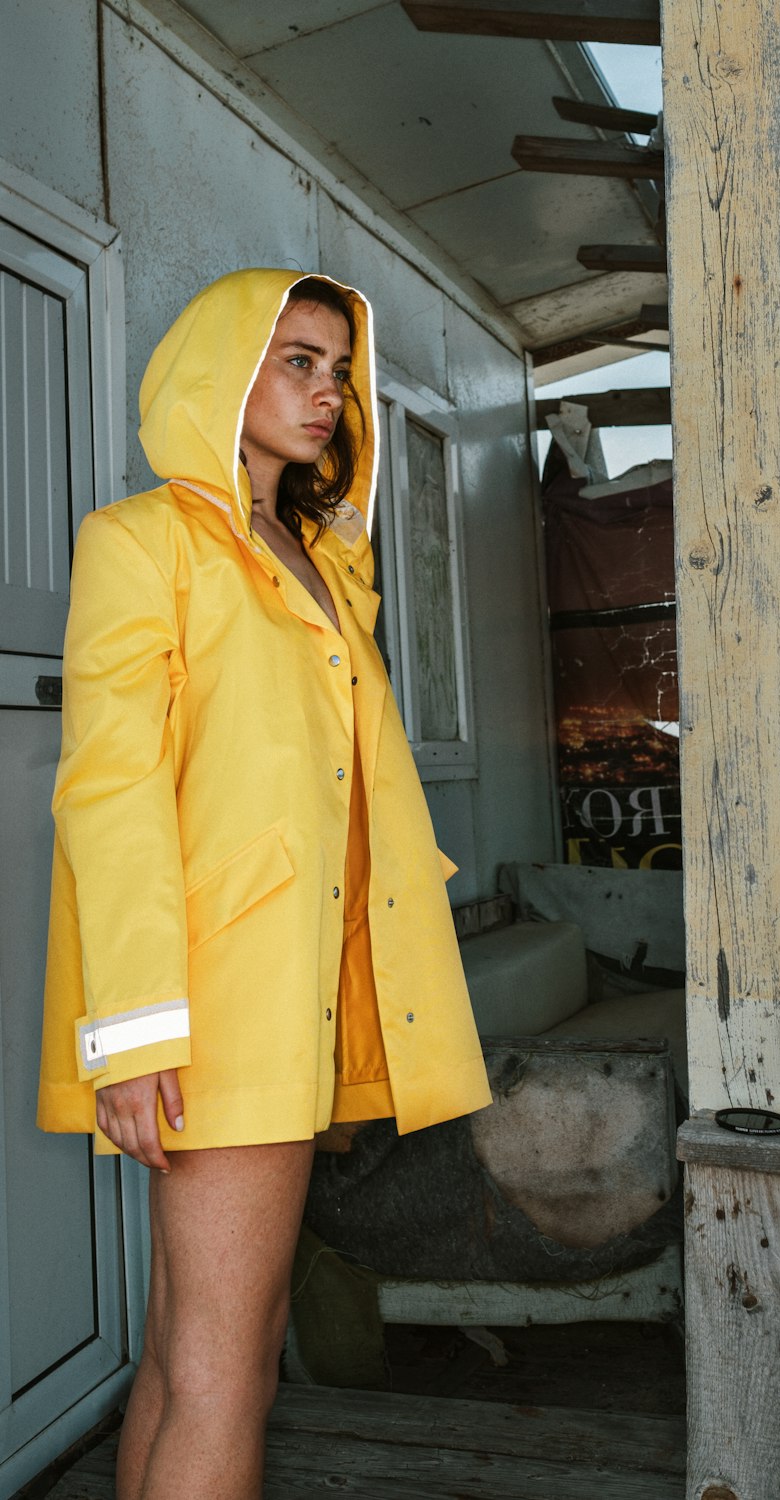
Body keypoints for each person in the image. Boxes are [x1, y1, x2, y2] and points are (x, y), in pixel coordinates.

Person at [37, 268, 492, 1499]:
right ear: (221, 368)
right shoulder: (142, 542)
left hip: (289, 1002)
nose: (327, 391)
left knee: (185, 1360)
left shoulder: (324, 566)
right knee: (228, 1375)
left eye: (338, 370)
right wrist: (131, 1034)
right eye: (296, 359)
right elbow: (110, 795)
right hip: (213, 1014)